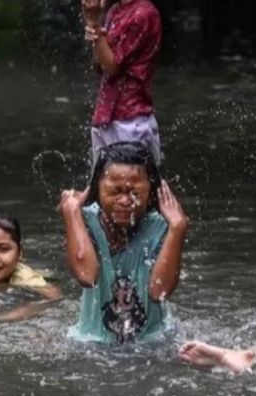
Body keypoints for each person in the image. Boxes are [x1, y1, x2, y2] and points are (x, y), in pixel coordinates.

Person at [58, 141, 187, 344]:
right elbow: (87, 276)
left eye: (134, 193)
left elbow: (159, 292)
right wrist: (71, 213)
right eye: (115, 192)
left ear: (151, 192)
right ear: (97, 191)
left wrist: (178, 228)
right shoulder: (85, 221)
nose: (125, 201)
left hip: (152, 344)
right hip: (90, 343)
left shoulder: (163, 226)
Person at [80, 0, 163, 165]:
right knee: (103, 192)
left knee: (131, 194)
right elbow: (100, 65)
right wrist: (94, 28)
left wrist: (95, 25)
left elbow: (113, 66)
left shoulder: (144, 14)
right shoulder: (116, 11)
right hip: (108, 116)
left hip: (131, 121)